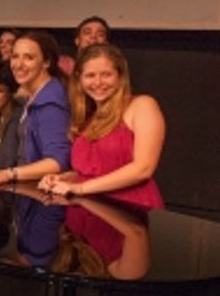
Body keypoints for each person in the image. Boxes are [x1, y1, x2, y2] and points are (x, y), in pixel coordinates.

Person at [39, 44, 165, 208]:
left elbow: (143, 169)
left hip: (128, 209)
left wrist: (80, 188)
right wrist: (63, 178)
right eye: (90, 75)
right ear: (79, 79)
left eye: (106, 75)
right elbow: (90, 173)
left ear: (120, 76)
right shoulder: (87, 117)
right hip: (89, 208)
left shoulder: (142, 105)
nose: (98, 82)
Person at [0, 31, 72, 188]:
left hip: (45, 200)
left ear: (47, 62)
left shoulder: (50, 104)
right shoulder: (33, 95)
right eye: (15, 57)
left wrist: (9, 174)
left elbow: (57, 162)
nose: (18, 64)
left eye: (29, 58)